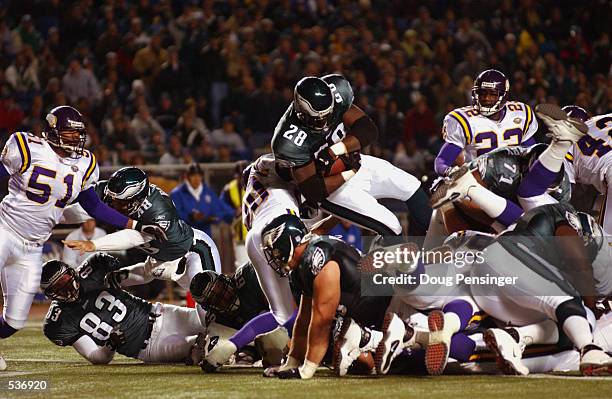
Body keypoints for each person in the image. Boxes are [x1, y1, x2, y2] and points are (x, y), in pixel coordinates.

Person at [0, 106, 157, 369]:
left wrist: (132, 223)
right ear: (52, 131)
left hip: (33, 247)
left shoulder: (85, 162)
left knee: (14, 321)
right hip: (5, 229)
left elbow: (93, 206)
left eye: (78, 134)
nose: (76, 139)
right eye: (69, 133)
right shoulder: (27, 146)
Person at [41, 254, 206, 364]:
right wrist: (110, 345)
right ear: (50, 294)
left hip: (161, 314)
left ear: (72, 272)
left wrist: (121, 276)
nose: (67, 289)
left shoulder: (92, 270)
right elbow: (96, 357)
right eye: (59, 288)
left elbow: (140, 276)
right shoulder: (58, 322)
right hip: (150, 347)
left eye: (65, 281)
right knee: (201, 347)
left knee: (212, 322)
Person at [434, 69, 538, 176]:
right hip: (480, 185)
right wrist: (450, 172)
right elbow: (442, 160)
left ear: (503, 95)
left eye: (492, 94)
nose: (486, 98)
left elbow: (532, 153)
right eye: (482, 93)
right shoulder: (462, 120)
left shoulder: (520, 113)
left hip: (516, 179)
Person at [171, 163, 234, 238]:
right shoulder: (177, 194)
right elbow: (174, 215)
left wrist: (215, 218)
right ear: (187, 177)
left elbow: (219, 209)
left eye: (199, 175)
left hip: (205, 237)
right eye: (193, 175)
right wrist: (190, 217)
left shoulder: (208, 192)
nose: (196, 178)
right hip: (185, 237)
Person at [220, 161, 249, 266]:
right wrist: (233, 212)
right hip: (239, 235)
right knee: (242, 265)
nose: (241, 179)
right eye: (239, 176)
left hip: (257, 234)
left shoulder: (258, 185)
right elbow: (221, 208)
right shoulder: (229, 189)